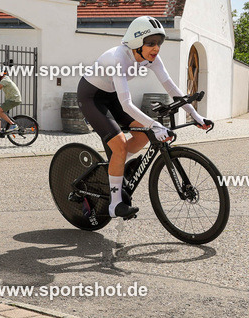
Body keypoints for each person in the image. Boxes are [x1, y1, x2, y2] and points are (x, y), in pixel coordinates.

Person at [77, 16, 211, 219]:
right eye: (150, 43)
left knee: (143, 136)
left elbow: (171, 87)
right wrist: (156, 124)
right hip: (91, 97)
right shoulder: (118, 58)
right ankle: (114, 205)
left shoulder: (152, 59)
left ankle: (117, 166)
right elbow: (127, 104)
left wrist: (195, 115)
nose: (156, 48)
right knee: (120, 144)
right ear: (136, 43)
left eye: (159, 43)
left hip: (111, 96)